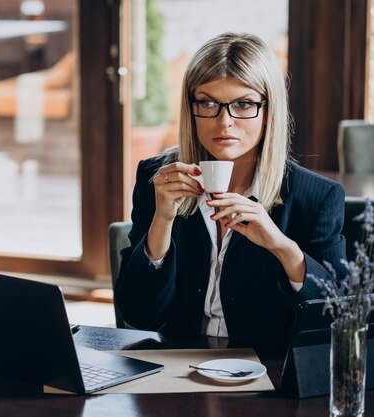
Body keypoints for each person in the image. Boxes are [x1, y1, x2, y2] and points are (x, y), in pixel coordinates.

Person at [114, 32, 346, 350]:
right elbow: (139, 314)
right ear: (190, 106)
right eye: (208, 102)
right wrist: (162, 221)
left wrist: (282, 247)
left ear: (268, 111)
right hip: (177, 366)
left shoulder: (316, 197)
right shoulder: (157, 178)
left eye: (244, 104)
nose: (225, 121)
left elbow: (336, 322)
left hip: (270, 374)